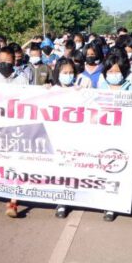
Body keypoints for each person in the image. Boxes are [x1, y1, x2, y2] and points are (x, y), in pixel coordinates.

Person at [0, 46, 29, 219]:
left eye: (7, 61)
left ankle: (14, 201)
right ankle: (7, 193)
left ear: (14, 61)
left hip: (18, 129)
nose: (4, 64)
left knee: (17, 165)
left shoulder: (22, 80)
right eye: (1, 61)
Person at [49, 58, 79, 219]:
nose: (68, 75)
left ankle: (65, 200)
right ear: (58, 73)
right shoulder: (51, 91)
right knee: (57, 170)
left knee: (69, 169)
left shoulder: (80, 91)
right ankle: (59, 200)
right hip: (55, 137)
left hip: (73, 137)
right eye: (65, 72)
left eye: (71, 73)